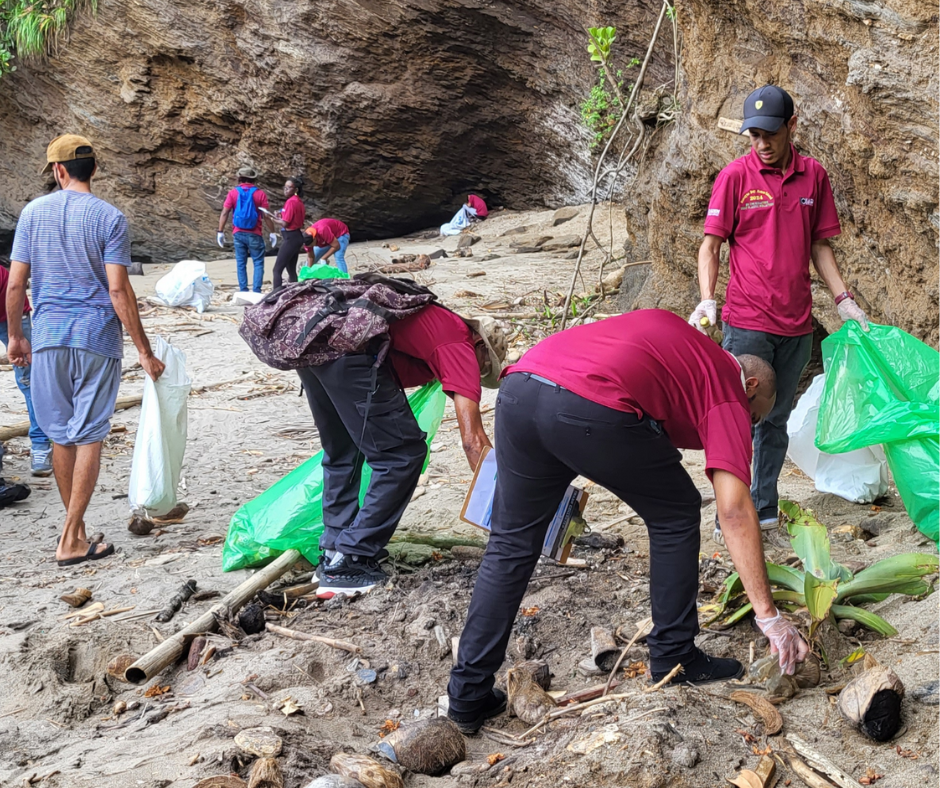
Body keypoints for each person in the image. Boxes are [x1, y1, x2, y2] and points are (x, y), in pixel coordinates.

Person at [447, 309, 810, 734]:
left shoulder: (680, 347)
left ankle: (467, 694)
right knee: (676, 511)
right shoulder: (727, 388)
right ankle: (675, 655)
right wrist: (768, 616)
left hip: (520, 390)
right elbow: (733, 509)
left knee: (510, 544)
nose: (746, 429)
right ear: (751, 387)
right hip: (587, 405)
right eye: (754, 418)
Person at [689, 85, 870, 542]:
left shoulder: (814, 177)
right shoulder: (734, 177)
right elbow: (710, 245)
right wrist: (708, 299)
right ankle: (728, 515)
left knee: (775, 419)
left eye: (770, 133)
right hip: (747, 321)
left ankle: (763, 509)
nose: (762, 144)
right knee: (734, 417)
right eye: (753, 135)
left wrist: (843, 298)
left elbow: (819, 245)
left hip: (796, 325)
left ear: (792, 126)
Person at [5, 134, 166, 567]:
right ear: (93, 169)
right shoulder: (110, 218)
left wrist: (17, 336)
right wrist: (144, 349)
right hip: (96, 337)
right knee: (90, 432)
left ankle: (74, 531)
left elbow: (17, 283)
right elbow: (118, 289)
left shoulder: (32, 214)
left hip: (48, 336)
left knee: (60, 433)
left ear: (58, 171)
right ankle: (70, 537)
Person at [302, 306, 506, 599]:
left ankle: (334, 552)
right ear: (480, 347)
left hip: (316, 344)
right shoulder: (460, 342)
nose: (479, 374)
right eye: (484, 366)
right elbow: (472, 441)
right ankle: (352, 561)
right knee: (402, 455)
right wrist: (507, 499)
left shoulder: (436, 325)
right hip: (349, 352)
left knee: (345, 449)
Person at [0, 263, 52, 475]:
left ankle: (41, 444)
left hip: (9, 308)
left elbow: (15, 287)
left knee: (29, 378)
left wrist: (16, 336)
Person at [217, 167, 278, 293]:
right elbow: (266, 216)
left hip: (238, 233)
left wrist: (220, 231)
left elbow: (224, 213)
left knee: (241, 263)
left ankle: (243, 290)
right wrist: (272, 232)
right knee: (258, 263)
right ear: (253, 179)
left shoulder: (233, 193)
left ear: (239, 178)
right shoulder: (260, 194)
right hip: (255, 233)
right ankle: (256, 291)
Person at [269, 176, 307, 287]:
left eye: (289, 187)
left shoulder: (291, 202)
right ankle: (294, 293)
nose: (285, 189)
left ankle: (275, 296)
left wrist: (273, 219)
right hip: (296, 237)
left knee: (277, 270)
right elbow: (291, 218)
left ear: (296, 190)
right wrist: (279, 216)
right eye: (284, 187)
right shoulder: (298, 202)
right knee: (291, 270)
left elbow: (285, 223)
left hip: (291, 237)